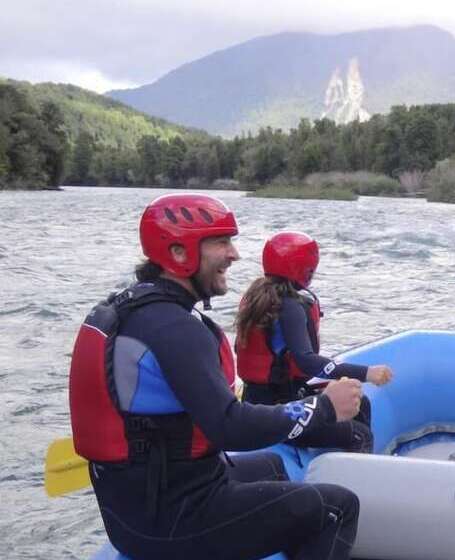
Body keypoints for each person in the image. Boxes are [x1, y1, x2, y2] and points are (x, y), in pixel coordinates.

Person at [68, 194, 361, 560]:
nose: (234, 254)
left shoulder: (137, 310)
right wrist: (322, 408)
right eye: (221, 242)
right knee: (338, 507)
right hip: (174, 518)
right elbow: (231, 426)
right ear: (179, 253)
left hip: (144, 503)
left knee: (272, 464)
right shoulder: (173, 328)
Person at [235, 231, 393, 454]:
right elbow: (307, 361)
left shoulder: (258, 296)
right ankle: (357, 484)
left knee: (361, 404)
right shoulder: (289, 307)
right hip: (281, 413)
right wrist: (367, 372)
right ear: (305, 268)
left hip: (264, 402)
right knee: (360, 434)